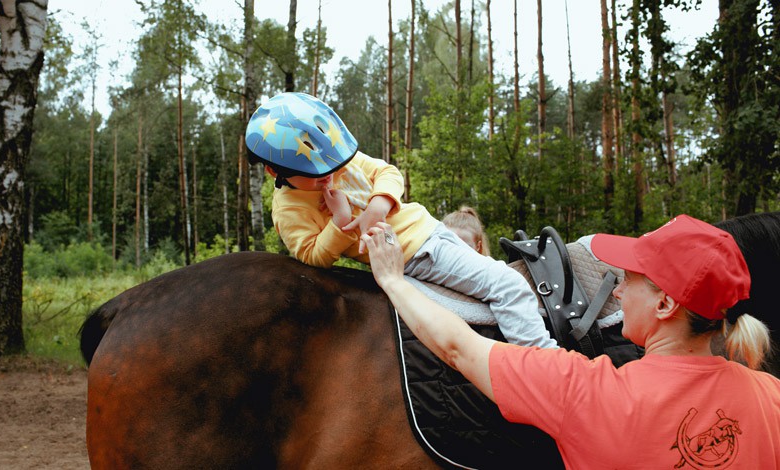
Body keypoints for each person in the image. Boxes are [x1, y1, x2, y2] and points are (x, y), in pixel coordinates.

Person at [360, 214, 780, 469]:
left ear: (666, 303)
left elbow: (457, 347)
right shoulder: (770, 397)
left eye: (628, 280)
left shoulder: (587, 393)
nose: (616, 292)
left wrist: (393, 281)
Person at [245, 92, 556, 348]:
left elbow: (387, 172)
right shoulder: (288, 210)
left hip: (431, 230)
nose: (329, 176)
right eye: (315, 175)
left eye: (332, 166)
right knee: (508, 284)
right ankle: (544, 366)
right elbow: (312, 255)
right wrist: (339, 221)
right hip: (416, 253)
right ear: (275, 171)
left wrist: (377, 207)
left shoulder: (337, 161)